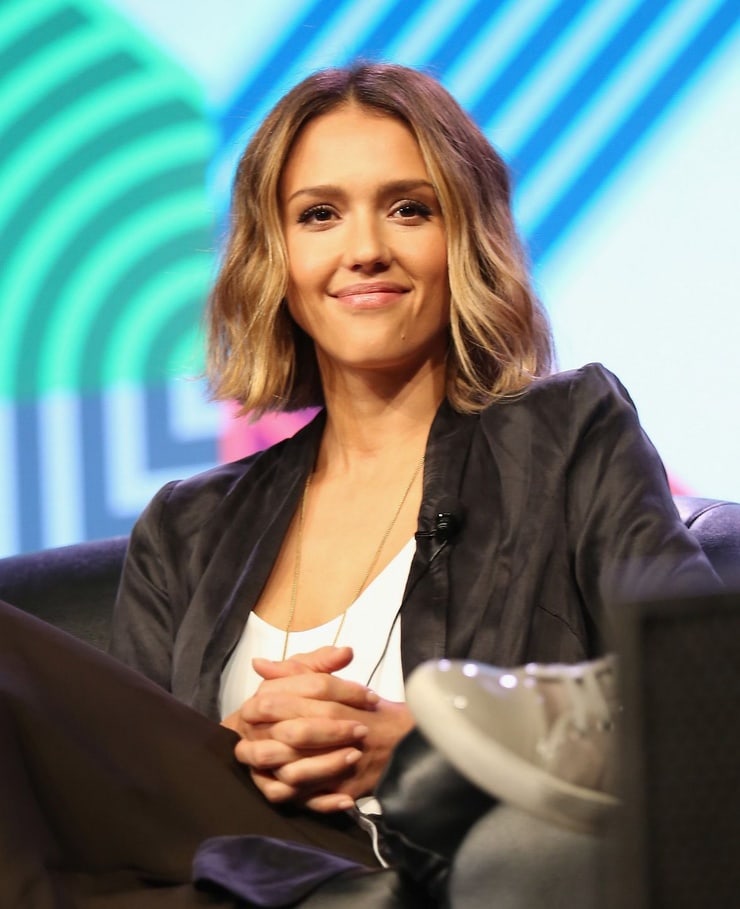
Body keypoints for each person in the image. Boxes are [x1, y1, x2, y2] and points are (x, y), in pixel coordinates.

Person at [0, 62, 720, 908]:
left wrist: (429, 748)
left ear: (465, 238)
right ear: (275, 258)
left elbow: (701, 697)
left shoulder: (566, 434)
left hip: (444, 871)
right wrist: (236, 753)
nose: (365, 248)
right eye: (320, 215)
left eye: (409, 208)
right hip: (236, 868)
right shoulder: (187, 527)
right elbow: (124, 791)